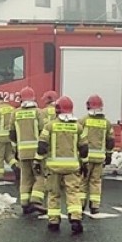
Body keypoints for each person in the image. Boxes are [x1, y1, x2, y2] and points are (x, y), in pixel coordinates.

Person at [38, 95, 87, 234]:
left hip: (53, 168)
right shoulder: (78, 127)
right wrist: (83, 163)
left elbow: (41, 146)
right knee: (73, 193)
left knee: (54, 194)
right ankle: (76, 218)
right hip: (72, 168)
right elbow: (84, 149)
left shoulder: (50, 126)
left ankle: (53, 222)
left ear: (57, 110)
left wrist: (38, 161)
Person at [10, 86, 47, 215]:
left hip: (22, 152)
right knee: (40, 177)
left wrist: (16, 149)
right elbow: (43, 132)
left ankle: (25, 204)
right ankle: (36, 201)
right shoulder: (39, 112)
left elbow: (12, 134)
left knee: (25, 178)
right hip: (37, 152)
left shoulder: (15, 113)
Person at [78, 94, 115, 214]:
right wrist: (109, 154)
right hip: (99, 158)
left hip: (86, 158)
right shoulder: (106, 123)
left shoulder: (83, 121)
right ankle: (94, 205)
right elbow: (110, 141)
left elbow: (77, 138)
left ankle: (81, 204)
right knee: (96, 181)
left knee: (83, 181)